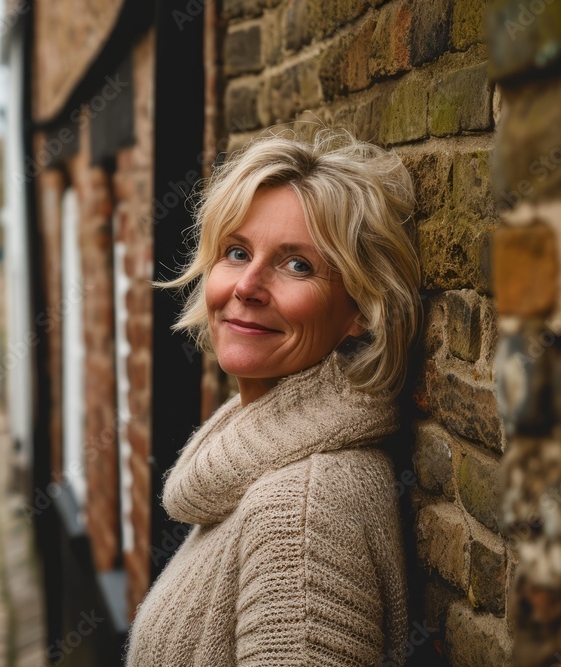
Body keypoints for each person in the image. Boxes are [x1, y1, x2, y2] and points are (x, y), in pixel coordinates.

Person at [125, 128, 422, 667]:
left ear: (360, 310)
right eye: (236, 252)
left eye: (297, 265)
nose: (247, 286)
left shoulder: (303, 511)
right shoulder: (257, 464)